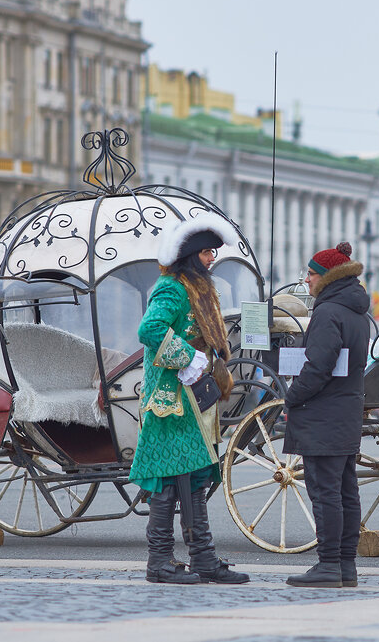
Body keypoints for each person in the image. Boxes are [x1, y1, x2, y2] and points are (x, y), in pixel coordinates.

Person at [130, 214, 250, 585]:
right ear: (192, 255)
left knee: (196, 480)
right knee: (167, 481)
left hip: (195, 400)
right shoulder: (172, 288)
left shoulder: (198, 288)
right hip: (169, 399)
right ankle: (159, 562)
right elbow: (149, 329)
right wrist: (187, 356)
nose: (213, 259)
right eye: (208, 252)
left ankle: (203, 559)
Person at [284, 241, 371, 589]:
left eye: (310, 274)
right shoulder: (357, 311)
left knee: (325, 493)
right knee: (346, 491)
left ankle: (329, 564)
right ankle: (345, 565)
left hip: (322, 414)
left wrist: (292, 396)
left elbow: (318, 365)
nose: (306, 280)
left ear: (326, 277)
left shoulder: (327, 312)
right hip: (346, 411)